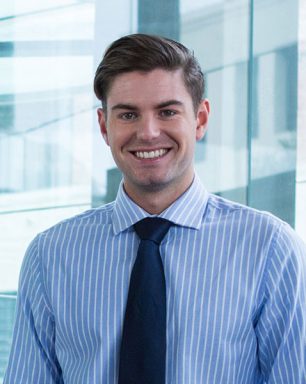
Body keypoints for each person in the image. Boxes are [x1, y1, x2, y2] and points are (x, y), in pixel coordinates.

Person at [4, 34, 306, 384]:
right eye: (128, 114)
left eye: (167, 111)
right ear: (104, 126)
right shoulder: (51, 255)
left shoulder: (269, 248)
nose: (147, 133)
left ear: (201, 119)